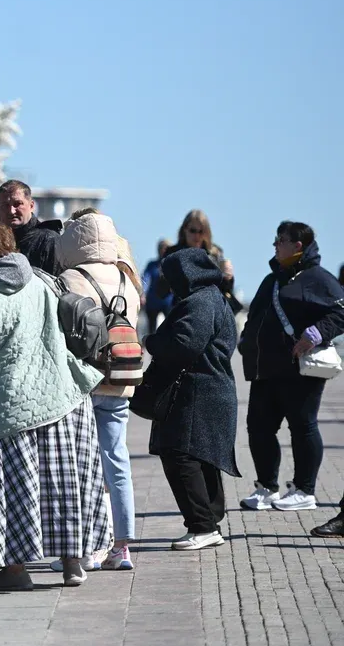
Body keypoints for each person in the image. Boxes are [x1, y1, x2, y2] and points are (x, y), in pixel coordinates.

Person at [0, 222, 110, 591]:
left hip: (6, 408)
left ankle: (15, 569)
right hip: (60, 399)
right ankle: (72, 564)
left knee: (8, 488)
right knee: (59, 485)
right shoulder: (42, 282)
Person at [56, 211, 143, 572]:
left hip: (85, 380)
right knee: (117, 461)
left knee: (85, 467)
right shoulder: (127, 278)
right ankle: (122, 547)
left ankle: (92, 544)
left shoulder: (70, 278)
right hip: (122, 377)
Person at [238, 221, 344, 513]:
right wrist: (247, 341)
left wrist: (315, 334)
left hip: (300, 369)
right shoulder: (273, 279)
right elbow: (255, 314)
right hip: (266, 368)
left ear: (298, 246)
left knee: (302, 426)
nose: (275, 245)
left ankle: (305, 490)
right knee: (258, 427)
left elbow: (341, 311)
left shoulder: (318, 278)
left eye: (281, 240)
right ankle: (267, 488)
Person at [144, 247, 240, 551]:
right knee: (202, 455)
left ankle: (203, 526)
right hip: (210, 391)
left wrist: (150, 341)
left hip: (197, 394)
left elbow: (183, 345)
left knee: (180, 455)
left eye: (171, 277)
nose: (169, 284)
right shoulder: (213, 297)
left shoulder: (199, 302)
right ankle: (209, 520)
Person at [157, 210, 240, 314]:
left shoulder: (214, 254)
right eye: (193, 230)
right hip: (182, 310)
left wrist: (228, 277)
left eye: (201, 231)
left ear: (207, 232)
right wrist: (167, 276)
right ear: (184, 230)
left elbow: (225, 290)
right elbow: (161, 292)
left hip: (210, 310)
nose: (197, 235)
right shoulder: (173, 254)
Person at [0, 180, 61, 275]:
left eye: (17, 204)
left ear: (31, 206)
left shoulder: (48, 240)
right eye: (5, 205)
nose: (11, 211)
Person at [141, 240, 172, 336]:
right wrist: (142, 293)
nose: (163, 250)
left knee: (171, 326)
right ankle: (152, 348)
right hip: (153, 302)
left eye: (166, 248)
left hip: (168, 301)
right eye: (161, 248)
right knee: (152, 329)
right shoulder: (152, 265)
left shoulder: (172, 264)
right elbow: (145, 278)